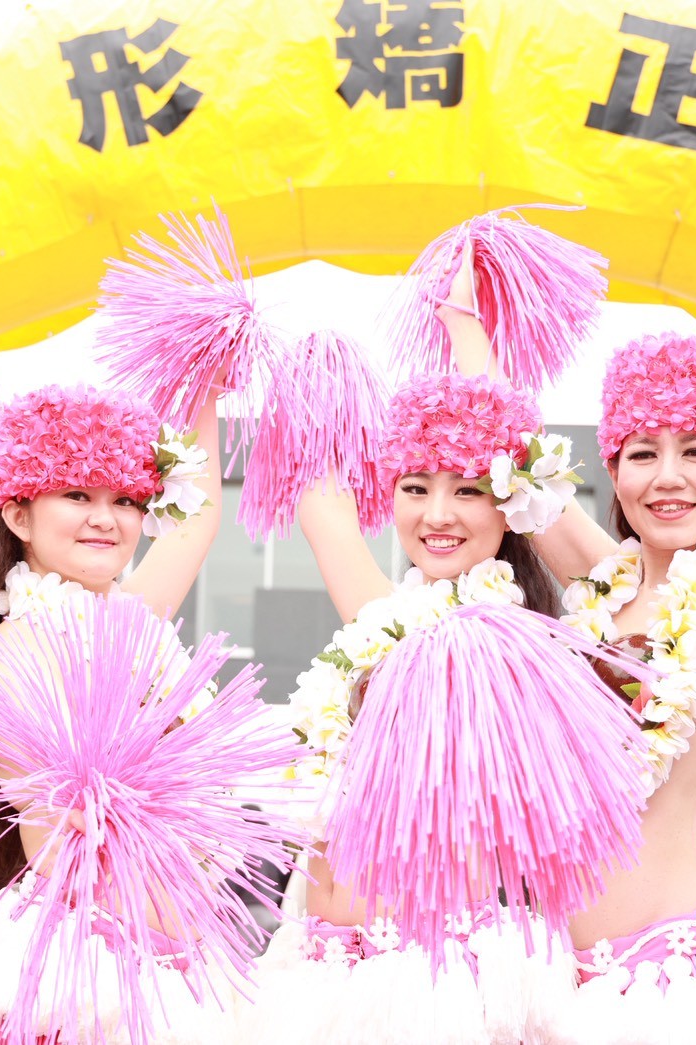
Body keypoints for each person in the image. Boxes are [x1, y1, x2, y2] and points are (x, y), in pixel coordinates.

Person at [434, 252, 696, 1040]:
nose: (667, 476)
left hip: (676, 986)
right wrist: (463, 324)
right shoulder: (603, 583)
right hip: (558, 982)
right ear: (613, 469)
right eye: (641, 452)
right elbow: (518, 458)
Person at [232, 351, 589, 1044]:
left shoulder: (511, 645)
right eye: (415, 487)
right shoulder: (389, 619)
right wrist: (308, 368)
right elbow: (324, 510)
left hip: (429, 983)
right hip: (324, 962)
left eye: (468, 490)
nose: (436, 514)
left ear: (510, 506)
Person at [0, 382, 257, 1043]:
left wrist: (206, 383)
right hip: (87, 962)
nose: (105, 518)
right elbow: (58, 840)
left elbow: (199, 516)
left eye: (125, 500)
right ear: (18, 516)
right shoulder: (25, 642)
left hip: (158, 941)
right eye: (77, 495)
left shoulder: (126, 617)